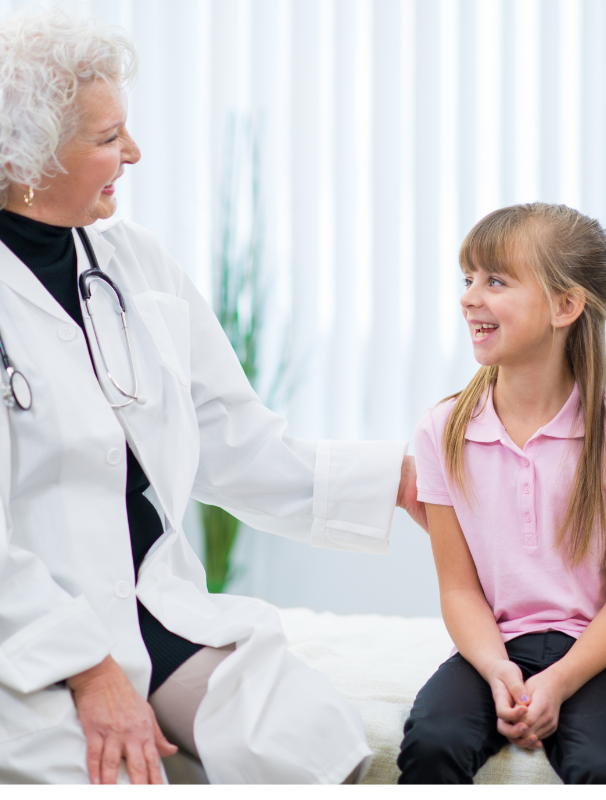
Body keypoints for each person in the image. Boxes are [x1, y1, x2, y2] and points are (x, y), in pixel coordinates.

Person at [0, 9, 425, 785]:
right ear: (25, 156)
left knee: (314, 746)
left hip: (157, 609)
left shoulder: (137, 264)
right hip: (31, 637)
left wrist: (394, 479)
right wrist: (92, 673)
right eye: (106, 138)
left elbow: (231, 441)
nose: (133, 152)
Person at [397, 203, 606, 784]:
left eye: (495, 280)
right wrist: (498, 670)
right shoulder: (441, 430)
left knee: (603, 764)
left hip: (604, 656)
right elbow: (459, 589)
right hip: (495, 647)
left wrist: (559, 682)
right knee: (432, 743)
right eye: (467, 278)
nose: (470, 296)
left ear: (566, 306)